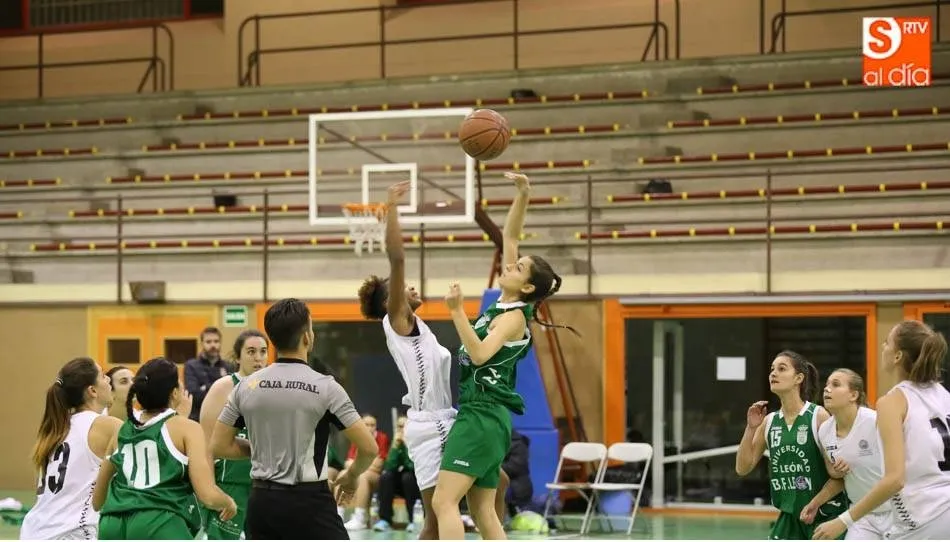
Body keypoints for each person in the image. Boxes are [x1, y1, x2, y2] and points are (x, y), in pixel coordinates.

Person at [358, 180, 512, 538]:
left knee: (497, 483)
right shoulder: (397, 321)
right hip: (432, 426)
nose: (412, 288)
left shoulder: (418, 326)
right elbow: (397, 258)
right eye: (403, 287)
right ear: (389, 300)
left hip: (444, 419)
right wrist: (392, 207)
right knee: (437, 516)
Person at [433, 171, 570, 540]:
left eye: (519, 267)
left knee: (444, 503)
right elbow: (510, 236)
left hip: (481, 417)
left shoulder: (512, 318)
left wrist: (457, 311)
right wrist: (523, 193)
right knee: (482, 511)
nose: (511, 265)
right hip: (487, 419)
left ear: (526, 286)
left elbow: (478, 355)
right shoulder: (506, 302)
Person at [211, 297, 380, 539]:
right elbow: (369, 448)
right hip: (310, 503)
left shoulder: (245, 387)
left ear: (272, 340)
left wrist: (262, 449)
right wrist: (352, 476)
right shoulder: (327, 388)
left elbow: (218, 445)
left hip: (261, 504)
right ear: (306, 337)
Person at [813, 321, 950, 540]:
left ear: (897, 356)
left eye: (887, 343)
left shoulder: (892, 402)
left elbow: (895, 479)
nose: (882, 347)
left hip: (924, 517)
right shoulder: (944, 396)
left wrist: (843, 521)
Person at [93, 357, 236, 539]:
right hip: (159, 523)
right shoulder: (187, 428)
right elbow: (207, 494)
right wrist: (228, 502)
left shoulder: (121, 430)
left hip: (111, 525)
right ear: (175, 393)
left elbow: (97, 502)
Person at [735, 351, 848, 540]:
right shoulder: (769, 421)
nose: (773, 373)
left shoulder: (817, 416)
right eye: (772, 369)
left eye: (781, 369)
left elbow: (838, 475)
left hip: (825, 514)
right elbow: (742, 468)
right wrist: (750, 428)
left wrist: (815, 503)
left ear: (799, 378)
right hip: (790, 517)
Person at [20, 357, 122, 540]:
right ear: (92, 391)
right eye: (103, 376)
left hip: (34, 531)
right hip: (71, 533)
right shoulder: (105, 426)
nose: (108, 380)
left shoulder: (56, 429)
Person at [799, 369, 890, 539]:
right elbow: (837, 477)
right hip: (862, 515)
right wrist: (815, 503)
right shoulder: (825, 431)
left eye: (836, 385)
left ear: (853, 395)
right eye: (826, 385)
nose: (827, 389)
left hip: (898, 512)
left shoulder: (875, 421)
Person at [198, 329, 268, 539]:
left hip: (264, 484)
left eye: (263, 352)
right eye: (251, 352)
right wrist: (209, 489)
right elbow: (206, 445)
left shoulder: (272, 389)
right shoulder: (223, 388)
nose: (258, 358)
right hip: (230, 483)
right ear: (237, 357)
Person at [342, 413, 391, 530]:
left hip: (377, 478)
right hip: (363, 471)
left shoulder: (382, 438)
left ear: (376, 426)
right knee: (342, 474)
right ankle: (338, 515)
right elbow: (347, 462)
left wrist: (357, 465)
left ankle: (360, 518)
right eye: (366, 425)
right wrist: (363, 465)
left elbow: (378, 465)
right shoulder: (358, 438)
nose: (369, 428)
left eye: (372, 425)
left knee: (362, 476)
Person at [373, 415, 421, 532]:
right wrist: (394, 447)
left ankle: (413, 520)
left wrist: (407, 445)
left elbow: (414, 466)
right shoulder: (396, 442)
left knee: (407, 477)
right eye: (399, 426)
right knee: (386, 476)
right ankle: (385, 520)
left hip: (417, 481)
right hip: (401, 484)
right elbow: (389, 466)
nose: (402, 429)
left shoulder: (417, 442)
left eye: (405, 426)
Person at [105, 366, 193, 422]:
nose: (132, 384)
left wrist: (180, 418)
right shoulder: (98, 419)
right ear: (110, 391)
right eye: (124, 381)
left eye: (134, 380)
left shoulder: (144, 420)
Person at [184, 326, 231, 421]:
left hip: (224, 421)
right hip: (198, 419)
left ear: (220, 343)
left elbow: (232, 397)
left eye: (216, 341)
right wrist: (220, 383)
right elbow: (194, 397)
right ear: (202, 343)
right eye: (208, 342)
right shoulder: (191, 366)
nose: (213, 345)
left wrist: (205, 387)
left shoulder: (229, 366)